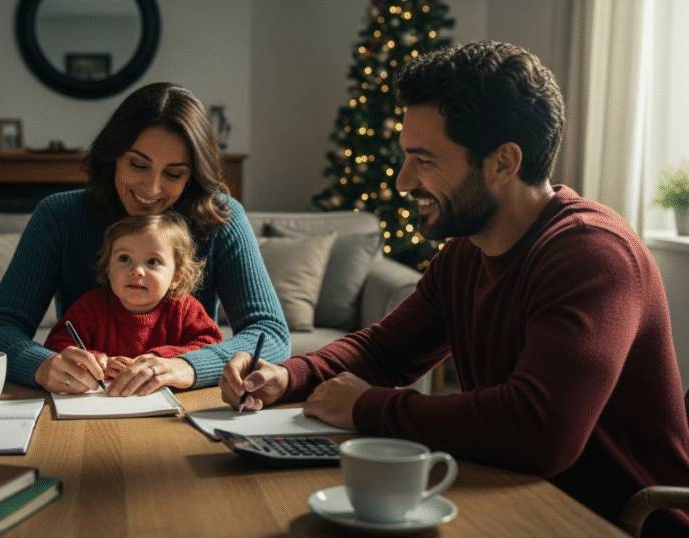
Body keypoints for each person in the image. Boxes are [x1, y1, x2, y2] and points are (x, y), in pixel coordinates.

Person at [220, 41, 689, 535]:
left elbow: (539, 430)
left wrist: (367, 406)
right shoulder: (468, 252)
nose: (403, 182)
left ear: (504, 163)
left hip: (619, 525)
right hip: (516, 502)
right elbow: (384, 351)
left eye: (423, 159)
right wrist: (288, 376)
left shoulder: (592, 255)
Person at [0, 82, 289, 398]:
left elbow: (271, 334)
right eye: (137, 165)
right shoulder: (59, 216)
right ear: (112, 156)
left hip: (186, 404)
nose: (151, 190)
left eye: (174, 174)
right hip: (86, 402)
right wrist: (42, 365)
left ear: (193, 174)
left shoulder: (221, 218)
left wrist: (188, 366)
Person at [43, 213, 223, 390]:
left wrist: (161, 358)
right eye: (124, 258)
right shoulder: (90, 306)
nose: (136, 270)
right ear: (108, 269)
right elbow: (55, 347)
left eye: (153, 261)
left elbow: (212, 347)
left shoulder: (184, 308)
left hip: (169, 404)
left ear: (176, 277)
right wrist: (98, 363)